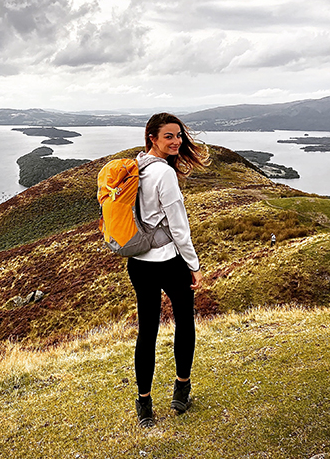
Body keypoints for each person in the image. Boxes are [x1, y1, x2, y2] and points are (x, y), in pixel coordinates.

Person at [127, 112, 208, 428]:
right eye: (169, 137)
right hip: (170, 262)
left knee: (147, 332)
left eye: (179, 136)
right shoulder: (165, 175)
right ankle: (181, 389)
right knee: (184, 323)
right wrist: (194, 265)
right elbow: (179, 227)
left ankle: (144, 404)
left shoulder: (135, 168)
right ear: (153, 138)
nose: (176, 142)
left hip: (139, 264)